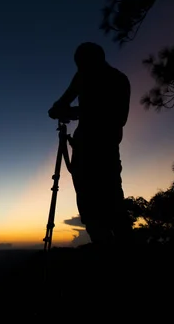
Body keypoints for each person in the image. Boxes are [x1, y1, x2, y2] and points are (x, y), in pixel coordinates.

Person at [48, 42, 131, 246]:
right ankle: (105, 245)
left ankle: (121, 248)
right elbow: (60, 104)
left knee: (110, 203)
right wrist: (64, 110)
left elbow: (118, 118)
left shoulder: (117, 80)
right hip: (87, 149)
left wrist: (73, 112)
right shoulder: (84, 76)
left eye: (82, 64)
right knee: (89, 206)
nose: (80, 68)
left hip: (103, 150)